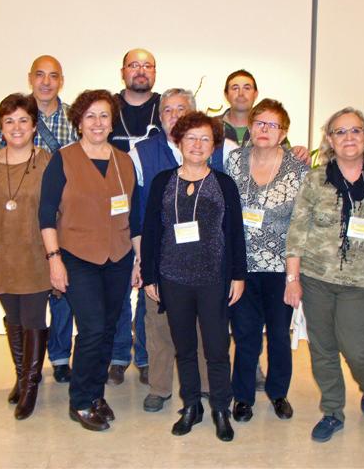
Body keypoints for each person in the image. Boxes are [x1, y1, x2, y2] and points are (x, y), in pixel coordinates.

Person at [39, 89, 141, 432]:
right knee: (93, 329)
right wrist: (54, 259)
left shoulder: (123, 161)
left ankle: (97, 394)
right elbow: (45, 214)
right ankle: (80, 400)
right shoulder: (63, 159)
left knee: (109, 329)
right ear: (79, 122)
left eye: (104, 116)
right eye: (90, 116)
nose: (98, 123)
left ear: (112, 122)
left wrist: (137, 259)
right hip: (77, 256)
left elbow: (133, 213)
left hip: (118, 256)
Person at [141, 112, 246, 442]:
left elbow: (235, 234)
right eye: (191, 138)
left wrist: (238, 276)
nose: (198, 145)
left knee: (215, 348)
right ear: (179, 142)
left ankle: (219, 408)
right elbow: (151, 231)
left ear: (214, 145)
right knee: (183, 348)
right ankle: (191, 406)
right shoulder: (162, 181)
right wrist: (149, 276)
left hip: (213, 278)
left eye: (205, 139)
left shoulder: (223, 184)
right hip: (172, 277)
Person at [284, 107, 364, 443]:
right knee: (323, 348)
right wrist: (293, 279)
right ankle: (332, 411)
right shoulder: (316, 178)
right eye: (340, 132)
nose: (348, 138)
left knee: (355, 347)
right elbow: (297, 230)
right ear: (329, 139)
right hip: (316, 278)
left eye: (355, 131)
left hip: (362, 281)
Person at [0, 55, 76, 384]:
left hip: (58, 221)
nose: (46, 81)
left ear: (61, 80)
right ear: (30, 78)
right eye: (40, 75)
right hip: (19, 229)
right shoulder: (14, 114)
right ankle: (28, 372)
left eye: (53, 76)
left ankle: (58, 356)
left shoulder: (71, 118)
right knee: (25, 307)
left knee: (62, 297)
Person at [225, 99, 308, 424]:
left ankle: (278, 392)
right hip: (241, 268)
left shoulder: (298, 169)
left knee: (277, 334)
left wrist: (293, 278)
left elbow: (300, 226)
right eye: (259, 123)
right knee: (244, 333)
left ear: (283, 133)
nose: (264, 130)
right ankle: (243, 397)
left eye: (272, 125)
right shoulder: (234, 161)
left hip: (280, 269)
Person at [129, 88, 210, 412]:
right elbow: (136, 212)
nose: (174, 115)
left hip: (205, 257)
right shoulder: (141, 152)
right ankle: (160, 387)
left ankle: (205, 384)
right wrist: (140, 258)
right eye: (167, 110)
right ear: (159, 116)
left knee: (205, 324)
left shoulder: (214, 148)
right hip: (160, 255)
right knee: (157, 323)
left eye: (182, 108)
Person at [0, 94, 51, 420]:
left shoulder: (47, 161)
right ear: (1, 126)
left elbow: (56, 211)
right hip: (1, 255)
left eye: (23, 120)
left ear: (34, 126)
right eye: (9, 121)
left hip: (36, 255)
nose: (16, 127)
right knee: (13, 319)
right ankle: (21, 375)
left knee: (34, 318)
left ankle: (32, 384)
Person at [107, 48, 162, 385]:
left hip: (151, 210)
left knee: (147, 286)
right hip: (110, 210)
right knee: (116, 284)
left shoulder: (166, 107)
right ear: (122, 71)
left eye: (147, 65)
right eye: (134, 65)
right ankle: (116, 354)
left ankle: (144, 356)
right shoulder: (108, 108)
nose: (140, 71)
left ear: (154, 72)